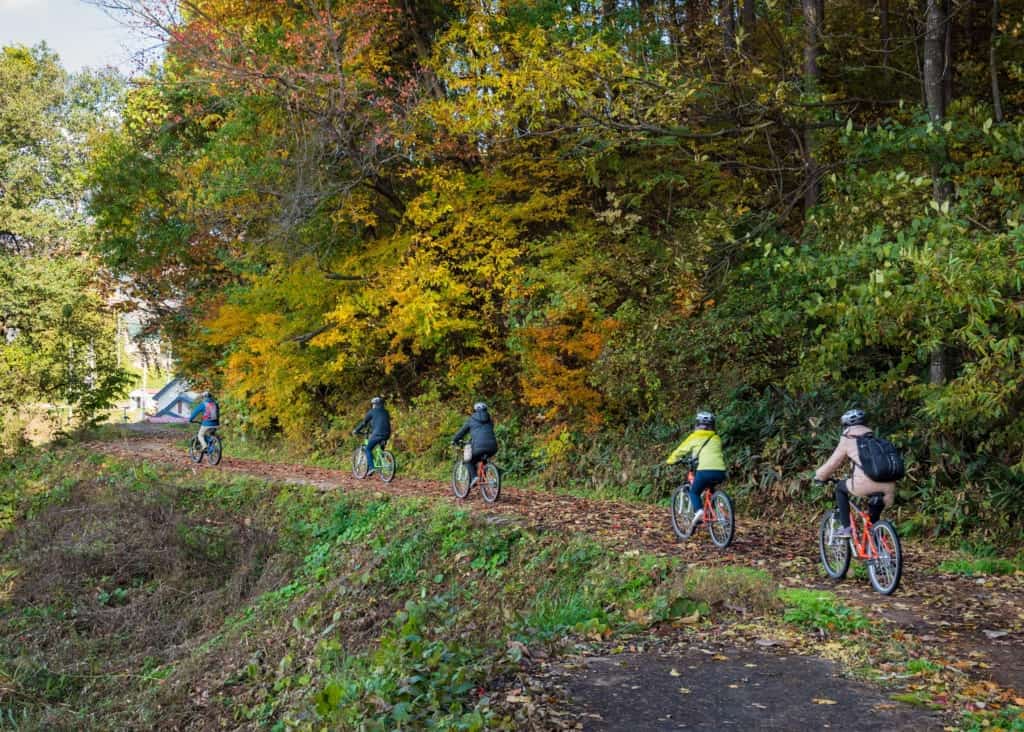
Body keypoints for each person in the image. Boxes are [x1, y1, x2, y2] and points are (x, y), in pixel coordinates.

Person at [814, 409, 896, 538]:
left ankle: (846, 528)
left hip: (863, 484)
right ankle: (876, 549)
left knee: (840, 488)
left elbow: (833, 462)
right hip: (888, 487)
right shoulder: (875, 440)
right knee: (873, 523)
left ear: (846, 425)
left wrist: (820, 476)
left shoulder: (848, 439)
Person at [666, 411, 726, 536]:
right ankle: (717, 507)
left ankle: (699, 511)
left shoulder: (695, 437)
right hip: (720, 471)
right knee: (710, 488)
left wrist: (671, 460)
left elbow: (681, 450)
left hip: (704, 470)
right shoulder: (716, 438)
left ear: (697, 424)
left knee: (694, 492)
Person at [451, 402, 498, 484]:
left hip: (478, 446)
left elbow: (462, 432)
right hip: (493, 446)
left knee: (468, 460)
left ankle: (474, 477)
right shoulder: (490, 420)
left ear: (475, 410)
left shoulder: (471, 419)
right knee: (484, 459)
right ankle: (487, 476)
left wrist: (455, 440)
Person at [353, 396, 391, 476]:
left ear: (374, 405)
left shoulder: (372, 412)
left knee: (368, 449)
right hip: (387, 434)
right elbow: (380, 421)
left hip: (377, 433)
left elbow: (364, 423)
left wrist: (356, 430)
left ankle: (371, 468)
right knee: (381, 450)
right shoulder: (386, 412)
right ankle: (382, 464)